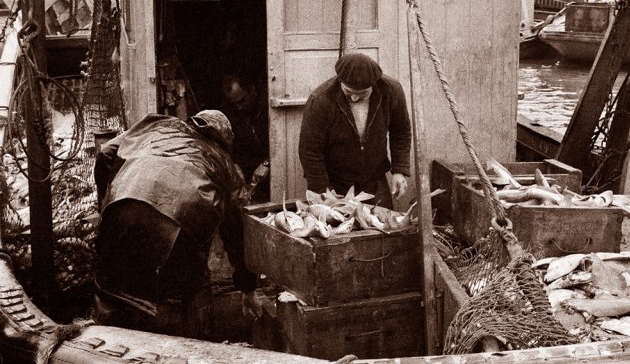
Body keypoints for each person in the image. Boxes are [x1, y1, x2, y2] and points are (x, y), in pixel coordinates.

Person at [91, 110, 258, 339]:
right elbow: (236, 230)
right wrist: (248, 287)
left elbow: (105, 153)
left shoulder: (156, 125)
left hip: (120, 208)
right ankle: (200, 346)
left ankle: (103, 344)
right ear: (225, 140)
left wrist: (109, 201)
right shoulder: (226, 164)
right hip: (179, 228)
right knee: (195, 282)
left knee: (113, 288)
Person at [299, 53, 412, 209]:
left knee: (383, 221)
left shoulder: (391, 91)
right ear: (340, 81)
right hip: (335, 181)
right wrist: (321, 188)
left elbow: (401, 132)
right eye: (348, 92)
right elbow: (310, 150)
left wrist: (399, 170)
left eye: (362, 94)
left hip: (375, 178)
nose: (354, 98)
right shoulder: (321, 100)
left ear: (374, 85)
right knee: (338, 223)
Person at [221, 73, 271, 202]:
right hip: (253, 178)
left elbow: (284, 143)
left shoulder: (270, 109)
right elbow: (233, 146)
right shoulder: (235, 114)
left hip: (276, 172)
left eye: (242, 101)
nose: (239, 107)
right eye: (234, 103)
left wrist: (267, 163)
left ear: (252, 90)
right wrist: (235, 164)